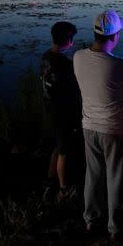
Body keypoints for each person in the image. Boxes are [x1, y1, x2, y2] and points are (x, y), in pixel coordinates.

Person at [73, 10, 123, 239]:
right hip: (115, 131)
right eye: (119, 33)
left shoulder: (78, 57)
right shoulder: (121, 64)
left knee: (93, 175)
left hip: (89, 127)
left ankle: (91, 221)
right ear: (113, 37)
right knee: (116, 178)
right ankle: (115, 228)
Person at [41, 21, 81, 198]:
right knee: (64, 150)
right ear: (68, 40)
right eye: (72, 39)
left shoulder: (46, 57)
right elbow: (74, 86)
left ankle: (50, 180)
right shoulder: (64, 63)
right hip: (63, 111)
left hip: (50, 109)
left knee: (57, 146)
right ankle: (63, 189)